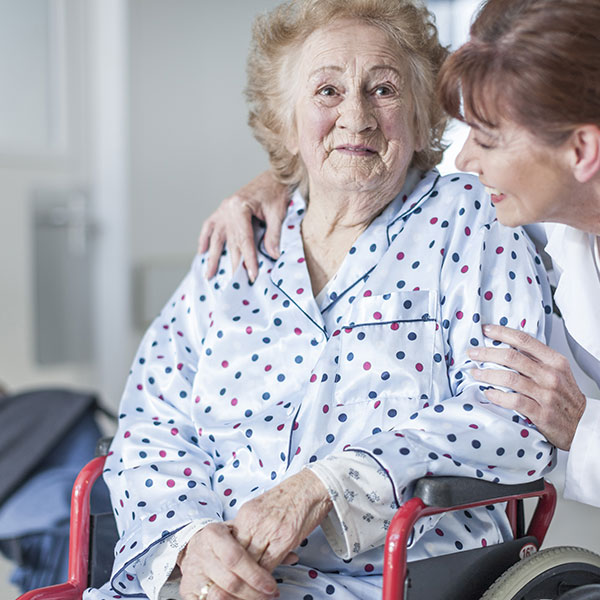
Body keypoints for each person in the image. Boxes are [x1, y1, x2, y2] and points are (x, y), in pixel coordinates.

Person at [88, 1, 555, 599]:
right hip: (208, 582)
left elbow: (513, 417)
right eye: (327, 91)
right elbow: (153, 422)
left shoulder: (475, 217)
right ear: (286, 122)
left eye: (383, 89)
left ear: (419, 115)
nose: (356, 117)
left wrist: (328, 484)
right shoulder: (240, 244)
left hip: (386, 578)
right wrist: (191, 541)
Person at [200, 0, 600, 510]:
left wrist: (584, 429)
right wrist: (286, 174)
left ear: (583, 152)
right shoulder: (531, 209)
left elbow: (506, 426)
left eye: (488, 138)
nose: (465, 157)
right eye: (327, 92)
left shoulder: (473, 218)